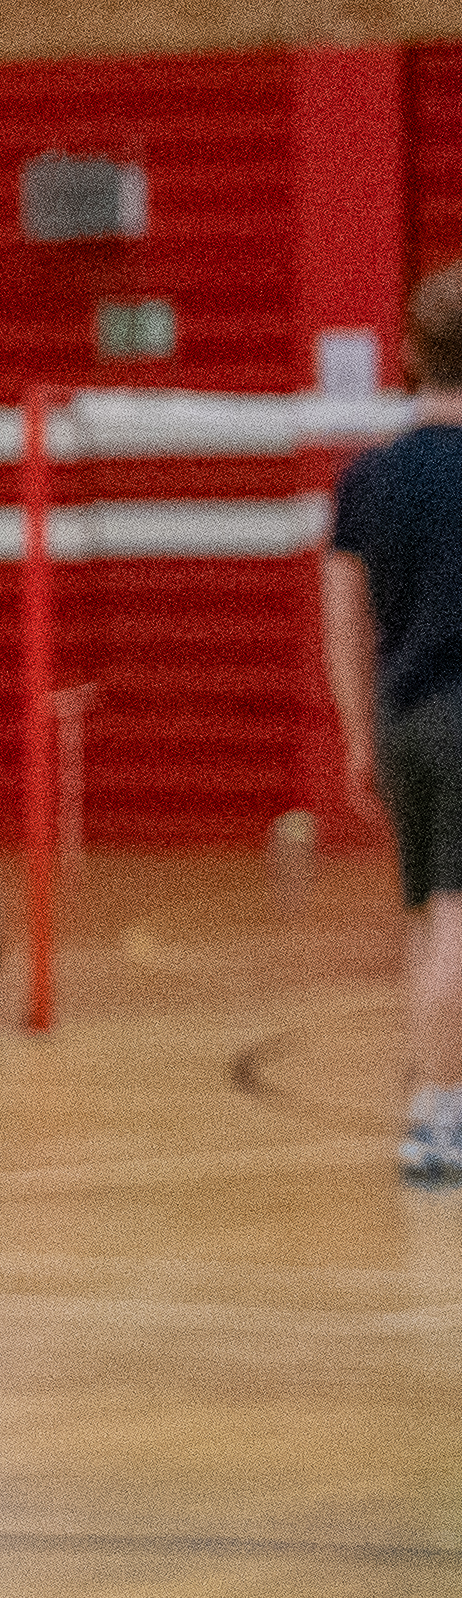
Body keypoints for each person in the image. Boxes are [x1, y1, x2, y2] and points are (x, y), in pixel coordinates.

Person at [322, 257, 462, 1183]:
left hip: (408, 717)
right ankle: (437, 1117)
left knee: (426, 918)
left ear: (410, 353)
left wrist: (358, 736)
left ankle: (431, 1103)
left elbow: (340, 615)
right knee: (455, 917)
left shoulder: (367, 480)